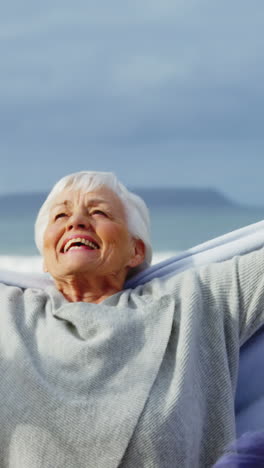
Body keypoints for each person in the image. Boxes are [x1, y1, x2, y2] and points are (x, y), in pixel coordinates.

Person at [1, 170, 264, 468]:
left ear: (135, 251)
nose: (76, 221)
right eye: (60, 216)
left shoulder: (195, 299)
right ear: (46, 257)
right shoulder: (9, 313)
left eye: (99, 212)